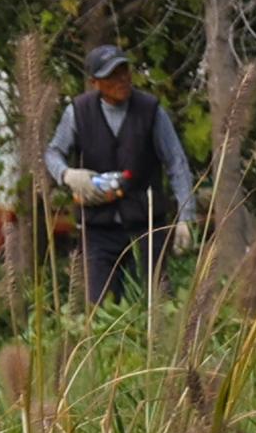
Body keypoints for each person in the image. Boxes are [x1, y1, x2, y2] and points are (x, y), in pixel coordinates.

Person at [47, 42, 195, 303]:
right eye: (112, 75)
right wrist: (68, 175)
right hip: (97, 231)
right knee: (100, 308)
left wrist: (186, 217)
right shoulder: (78, 112)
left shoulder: (151, 111)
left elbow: (177, 163)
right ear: (95, 82)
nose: (123, 78)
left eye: (124, 70)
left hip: (146, 227)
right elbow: (52, 153)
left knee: (155, 305)